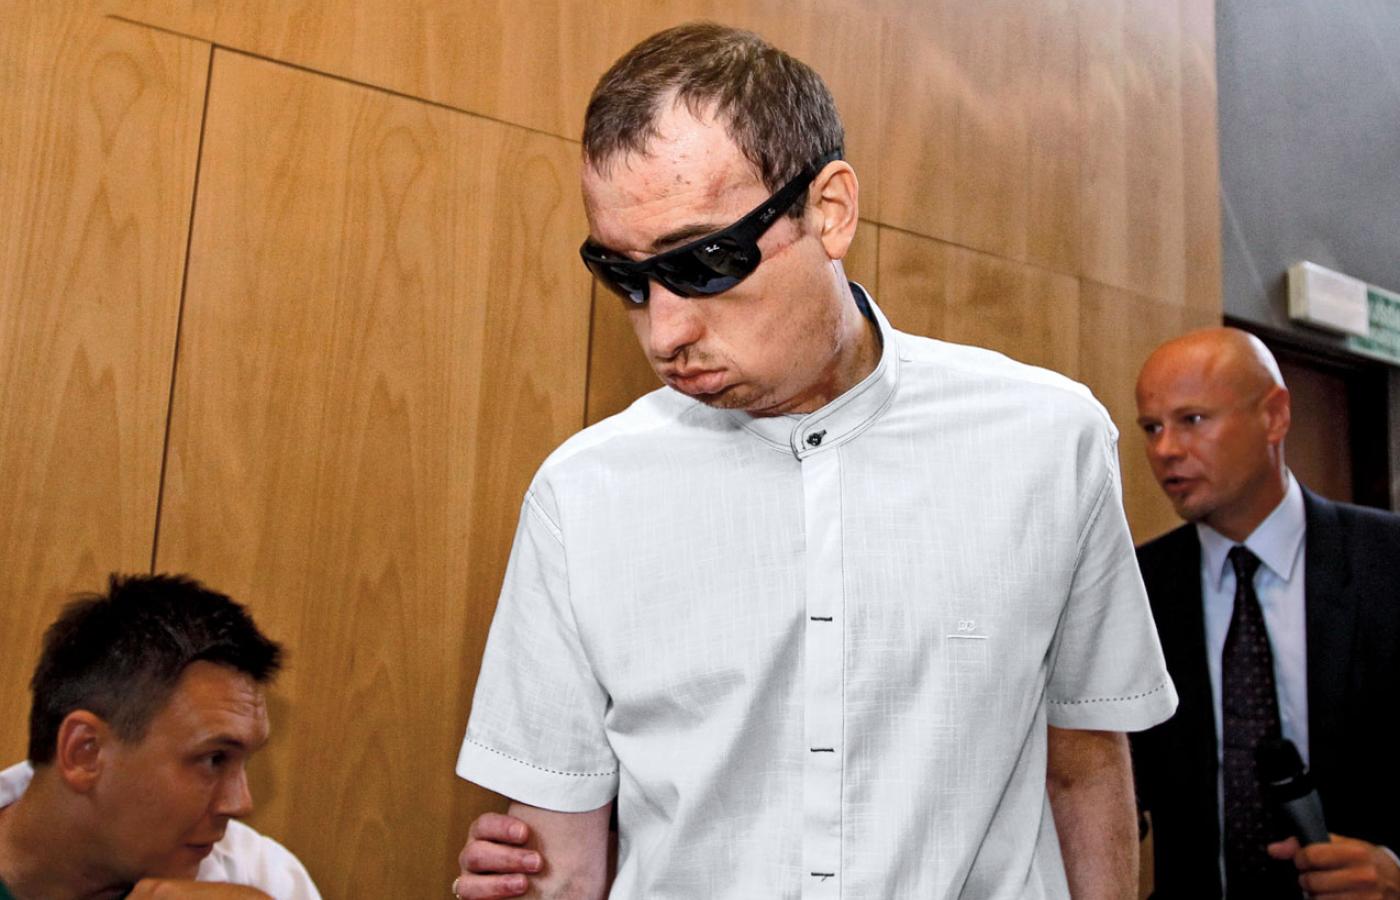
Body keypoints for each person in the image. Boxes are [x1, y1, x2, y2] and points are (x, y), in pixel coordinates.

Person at [452, 21, 1177, 900]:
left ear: (829, 210)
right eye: (626, 278)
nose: (665, 331)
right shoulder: (582, 497)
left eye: (706, 261)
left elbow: (1085, 763)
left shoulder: (1048, 442)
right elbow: (559, 860)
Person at [1131, 327, 1400, 899]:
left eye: (1192, 420)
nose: (1166, 449)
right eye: (1151, 428)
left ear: (1275, 416)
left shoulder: (1389, 561)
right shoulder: (1136, 587)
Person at [0, 573, 321, 899]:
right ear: (85, 752)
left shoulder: (265, 878)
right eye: (214, 759)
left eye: (244, 762)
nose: (241, 804)